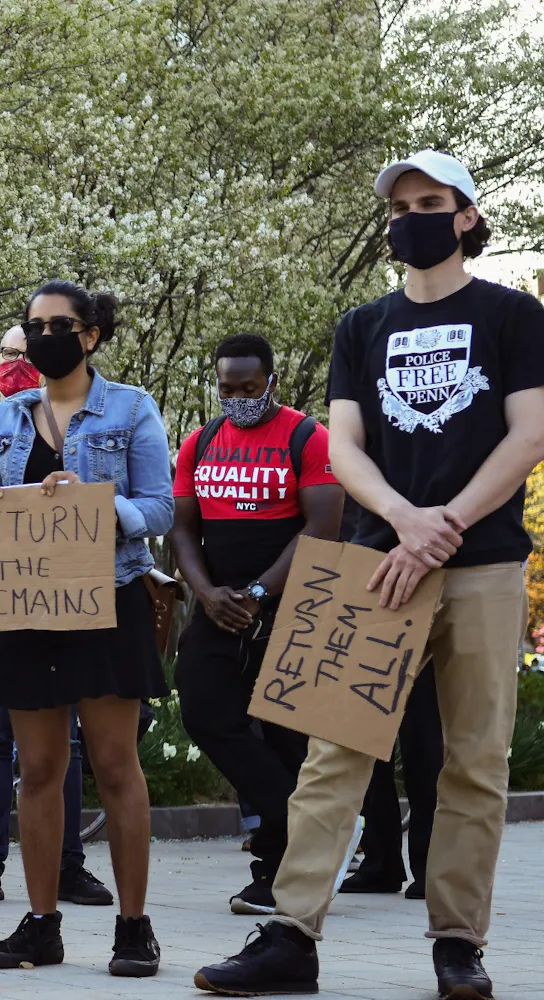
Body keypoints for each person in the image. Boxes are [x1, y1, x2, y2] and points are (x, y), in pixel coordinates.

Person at [195, 150, 544, 998]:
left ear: (465, 216)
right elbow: (344, 446)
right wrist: (403, 520)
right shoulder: (362, 327)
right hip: (371, 563)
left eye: (430, 202)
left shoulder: (513, 314)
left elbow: (529, 433)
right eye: (399, 205)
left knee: (472, 761)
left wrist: (445, 525)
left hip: (484, 564)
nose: (411, 216)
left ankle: (458, 944)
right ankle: (291, 939)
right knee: (331, 757)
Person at [0, 280, 172, 978]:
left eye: (60, 325)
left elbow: (162, 507)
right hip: (26, 607)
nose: (43, 336)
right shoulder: (8, 418)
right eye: (33, 325)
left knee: (115, 764)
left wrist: (99, 510)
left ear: (90, 335)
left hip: (107, 601)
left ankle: (134, 927)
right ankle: (41, 924)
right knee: (40, 770)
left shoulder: (132, 408)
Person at [169, 332, 345, 915]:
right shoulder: (200, 442)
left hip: (290, 602)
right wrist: (207, 593)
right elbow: (182, 530)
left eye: (249, 387)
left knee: (289, 735)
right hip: (218, 603)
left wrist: (262, 591)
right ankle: (301, 831)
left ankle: (278, 868)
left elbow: (322, 526)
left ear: (272, 380)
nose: (238, 397)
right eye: (226, 388)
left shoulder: (307, 436)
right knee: (202, 708)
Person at [0, 325, 112, 908]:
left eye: (25, 351)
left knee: (61, 736)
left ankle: (68, 865)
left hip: (63, 593)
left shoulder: (90, 424)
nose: (16, 360)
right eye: (8, 351)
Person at [339, 499, 443, 900]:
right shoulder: (344, 455)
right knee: (363, 743)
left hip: (422, 591)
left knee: (423, 743)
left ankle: (430, 867)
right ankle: (382, 863)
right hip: (358, 593)